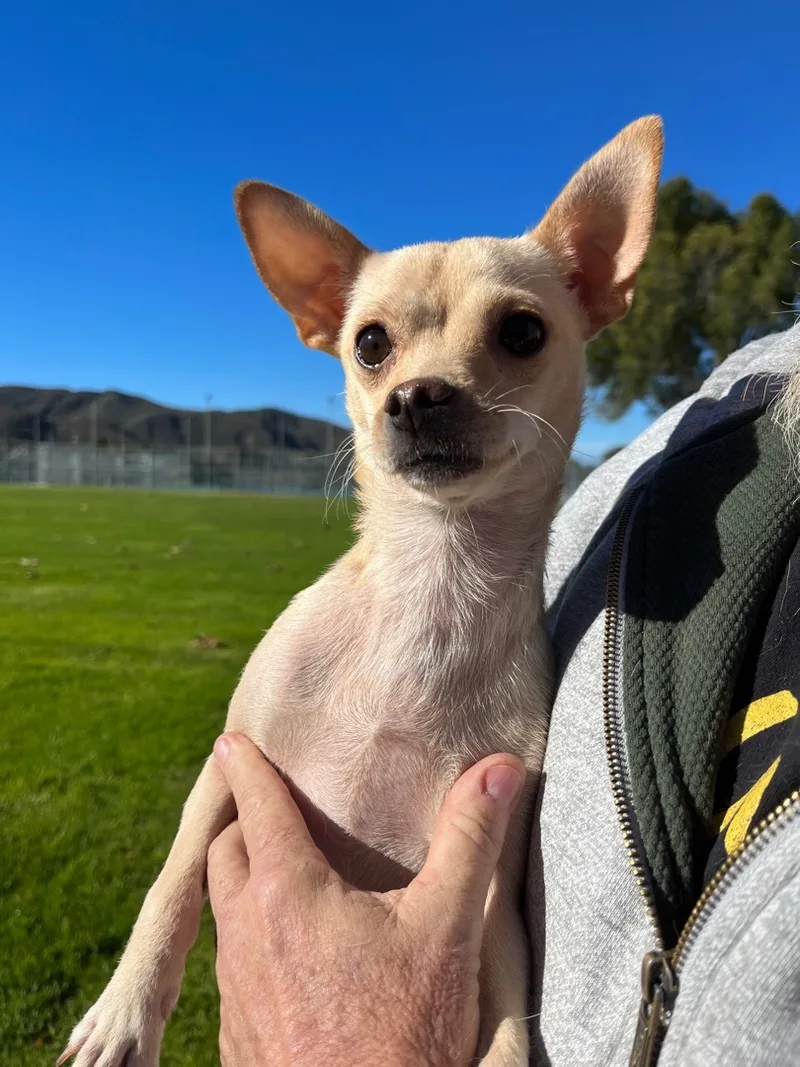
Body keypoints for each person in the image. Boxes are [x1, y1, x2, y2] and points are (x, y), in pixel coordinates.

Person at [208, 323, 800, 1067]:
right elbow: (228, 768)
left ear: (596, 282)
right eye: (375, 348)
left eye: (516, 334)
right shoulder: (690, 438)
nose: (421, 384)